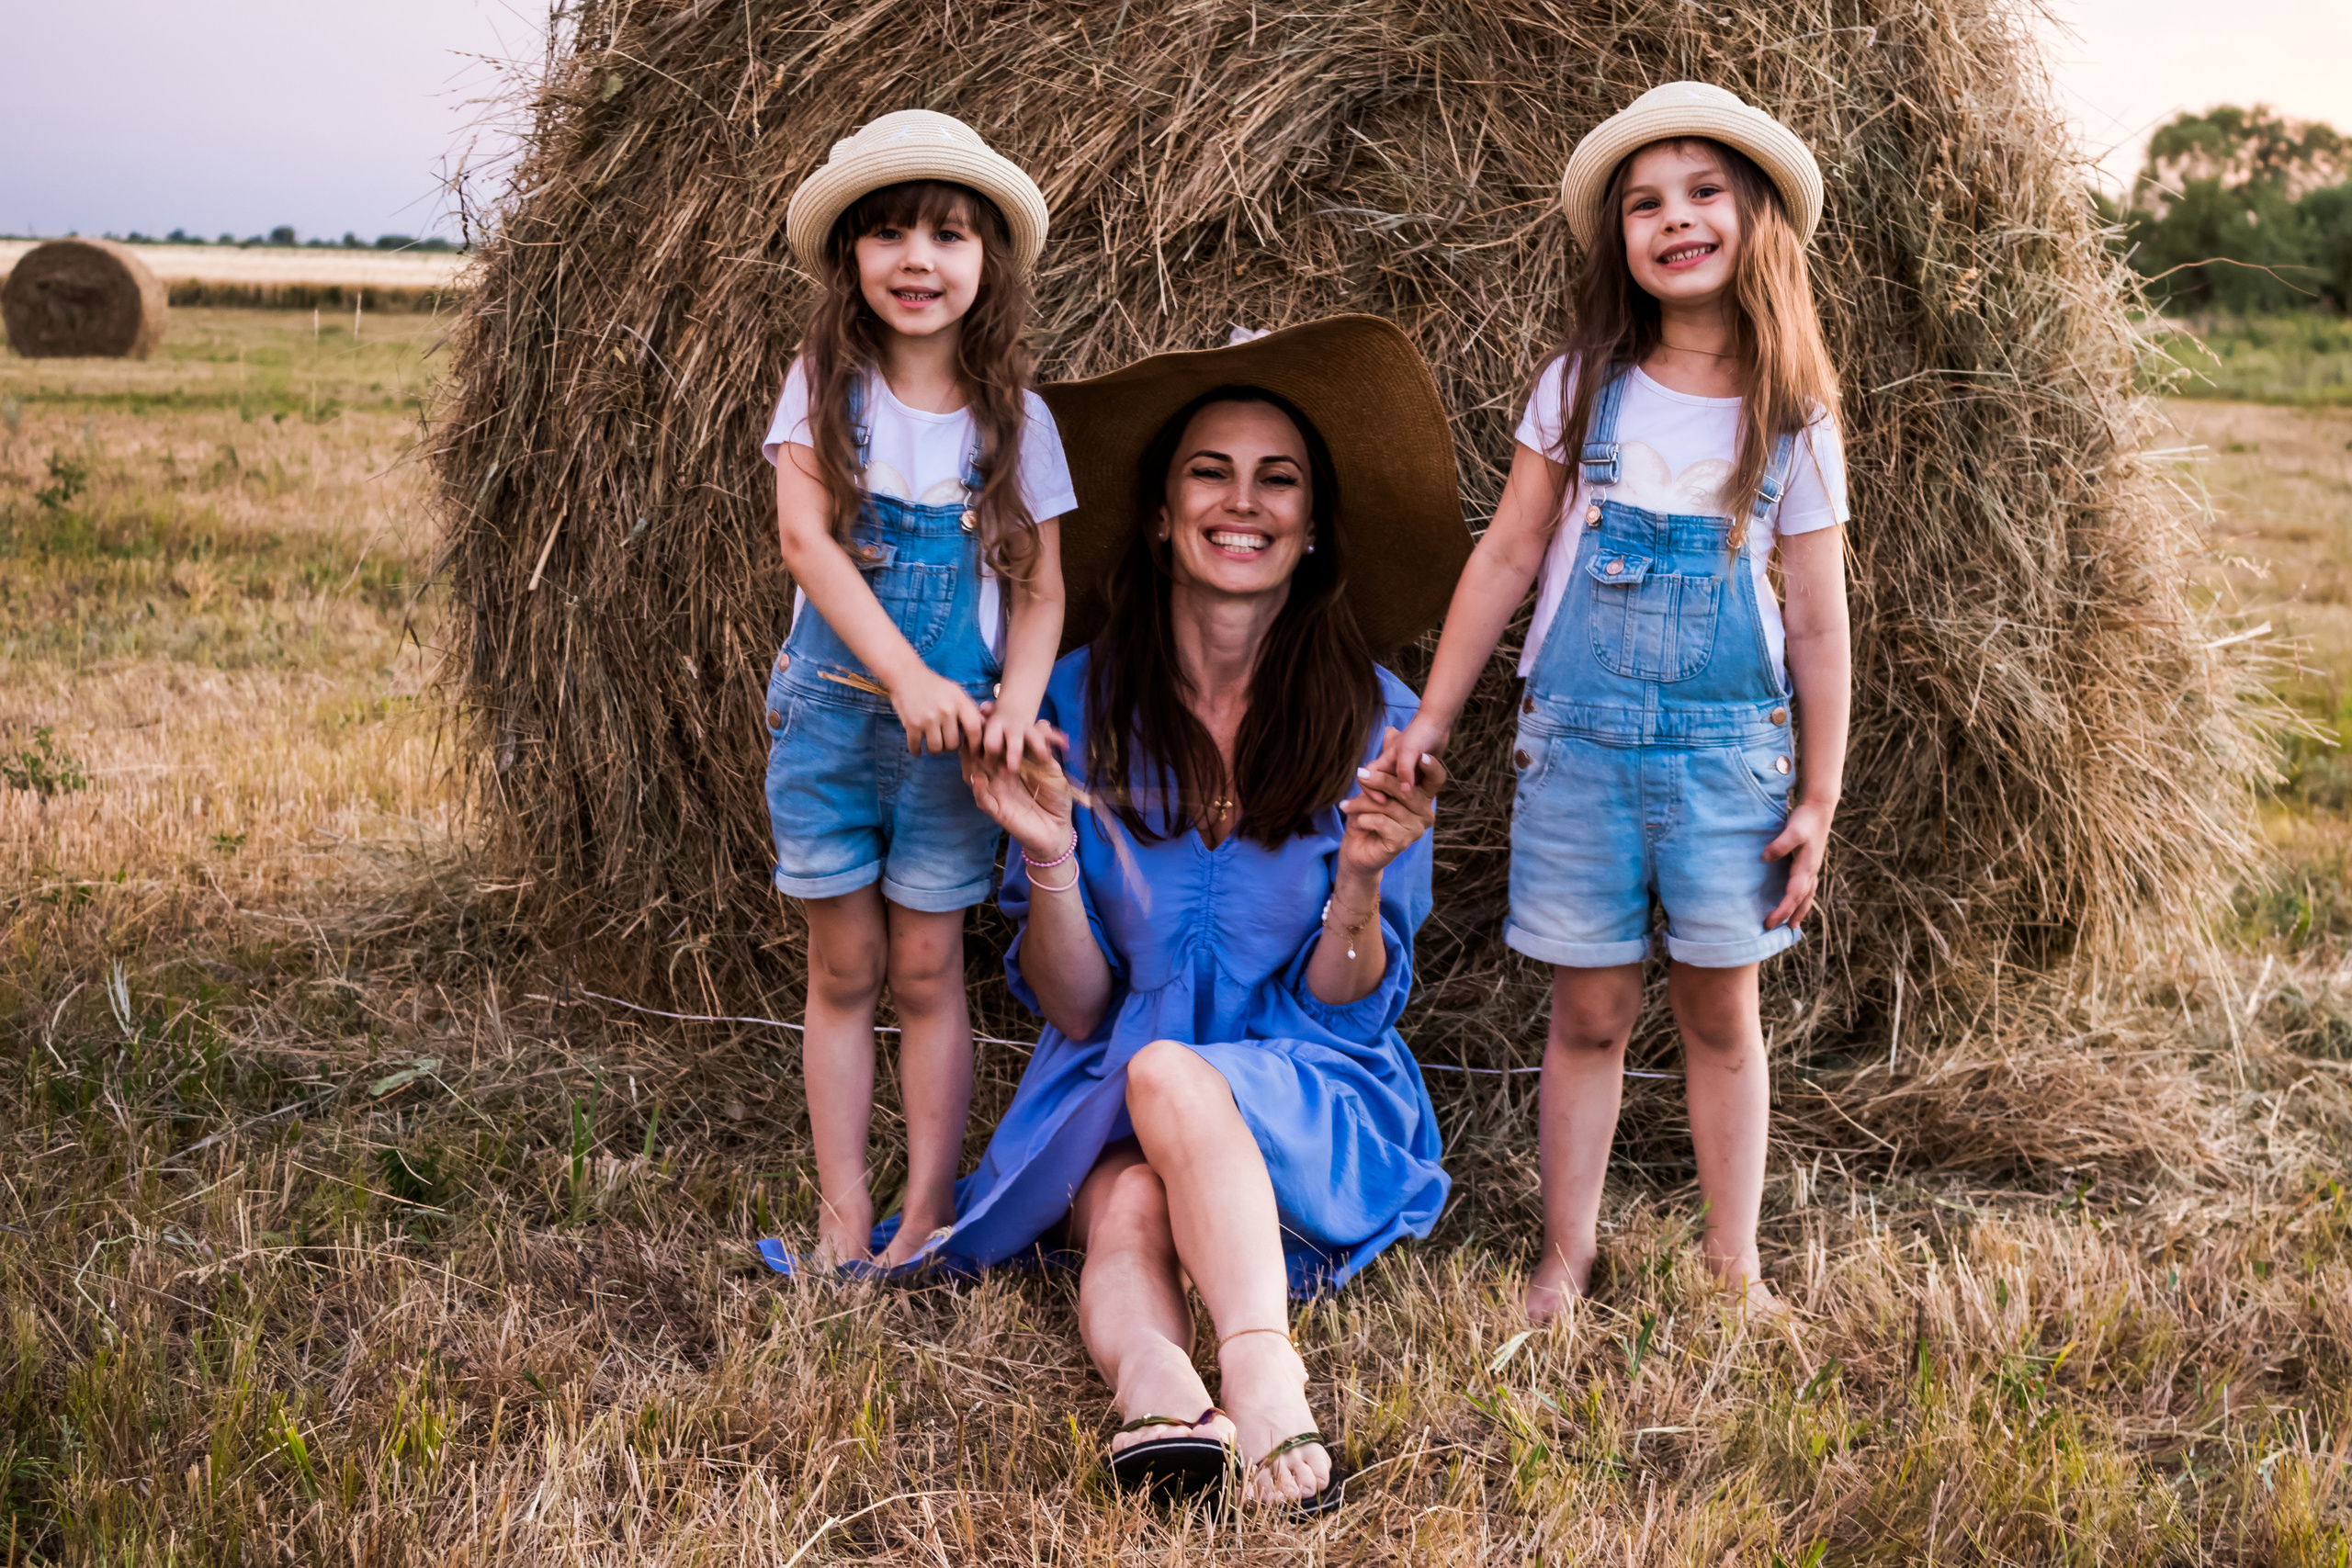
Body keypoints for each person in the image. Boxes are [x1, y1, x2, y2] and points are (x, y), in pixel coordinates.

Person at [944, 318, 1469, 1511]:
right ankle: (1161, 1398)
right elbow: (1080, 1007)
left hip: (1310, 1087)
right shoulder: (1066, 705)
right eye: (1209, 472)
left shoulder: (1380, 721)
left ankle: (1263, 1370)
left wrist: (1359, 880)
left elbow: (1345, 1006)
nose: (1243, 502)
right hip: (1111, 1079)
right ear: (1159, 513)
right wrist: (1050, 857)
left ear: (1313, 524)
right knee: (1128, 1196)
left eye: (1277, 478)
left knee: (1175, 1078)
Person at [1380, 82, 1854, 1322]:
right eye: (1645, 204)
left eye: (1703, 194)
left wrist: (1818, 795)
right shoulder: (1582, 386)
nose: (1674, 218)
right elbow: (1506, 555)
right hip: (1578, 754)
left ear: (1758, 224)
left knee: (1721, 1010)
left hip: (1728, 762)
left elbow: (1817, 620)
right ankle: (1566, 1253)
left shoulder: (1794, 417)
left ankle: (1732, 1261)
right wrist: (1431, 717)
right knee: (1587, 1011)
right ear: (1620, 243)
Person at [760, 110, 1072, 1270]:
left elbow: (1039, 591)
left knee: (930, 970)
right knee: (844, 970)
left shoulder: (1017, 422)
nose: (916, 260)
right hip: (833, 722)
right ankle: (843, 1214)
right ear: (850, 257)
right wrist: (905, 677)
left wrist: (1014, 705)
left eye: (947, 235)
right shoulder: (821, 389)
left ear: (986, 262)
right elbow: (806, 543)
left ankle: (927, 1208)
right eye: (887, 233)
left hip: (958, 748)